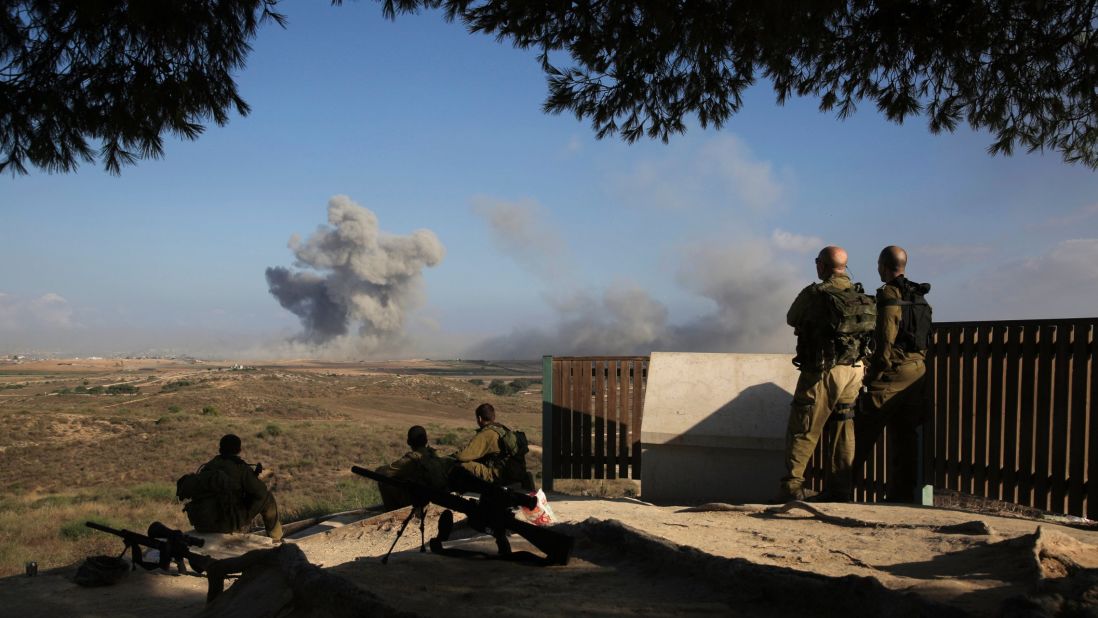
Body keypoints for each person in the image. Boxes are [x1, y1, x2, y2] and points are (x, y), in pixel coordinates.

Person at [778, 246, 875, 502]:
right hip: (854, 370)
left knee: (804, 427)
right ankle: (840, 491)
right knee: (844, 426)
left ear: (822, 265)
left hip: (824, 371)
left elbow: (791, 317)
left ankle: (792, 491)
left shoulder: (815, 293)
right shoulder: (859, 294)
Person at [854, 246, 932, 503]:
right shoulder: (918, 294)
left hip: (894, 371)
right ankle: (902, 495)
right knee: (905, 434)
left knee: (862, 430)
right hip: (917, 369)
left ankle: (840, 488)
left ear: (884, 266)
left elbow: (886, 336)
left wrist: (874, 372)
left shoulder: (890, 293)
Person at [185, 434, 282, 542]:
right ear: (239, 450)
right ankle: (276, 538)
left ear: (220, 449)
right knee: (267, 498)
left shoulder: (208, 467)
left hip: (202, 523)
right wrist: (256, 478)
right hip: (226, 524)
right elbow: (260, 492)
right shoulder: (240, 467)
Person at [450, 403, 531, 490]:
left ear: (479, 418)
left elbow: (462, 456)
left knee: (462, 464)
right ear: (493, 417)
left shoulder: (487, 433)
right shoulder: (502, 429)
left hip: (499, 475)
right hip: (514, 473)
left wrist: (448, 458)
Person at [374, 425, 453, 510]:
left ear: (409, 442)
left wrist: (378, 470)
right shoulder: (434, 455)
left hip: (422, 502)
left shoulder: (412, 460)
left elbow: (384, 472)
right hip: (438, 498)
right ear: (426, 440)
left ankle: (392, 512)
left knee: (384, 481)